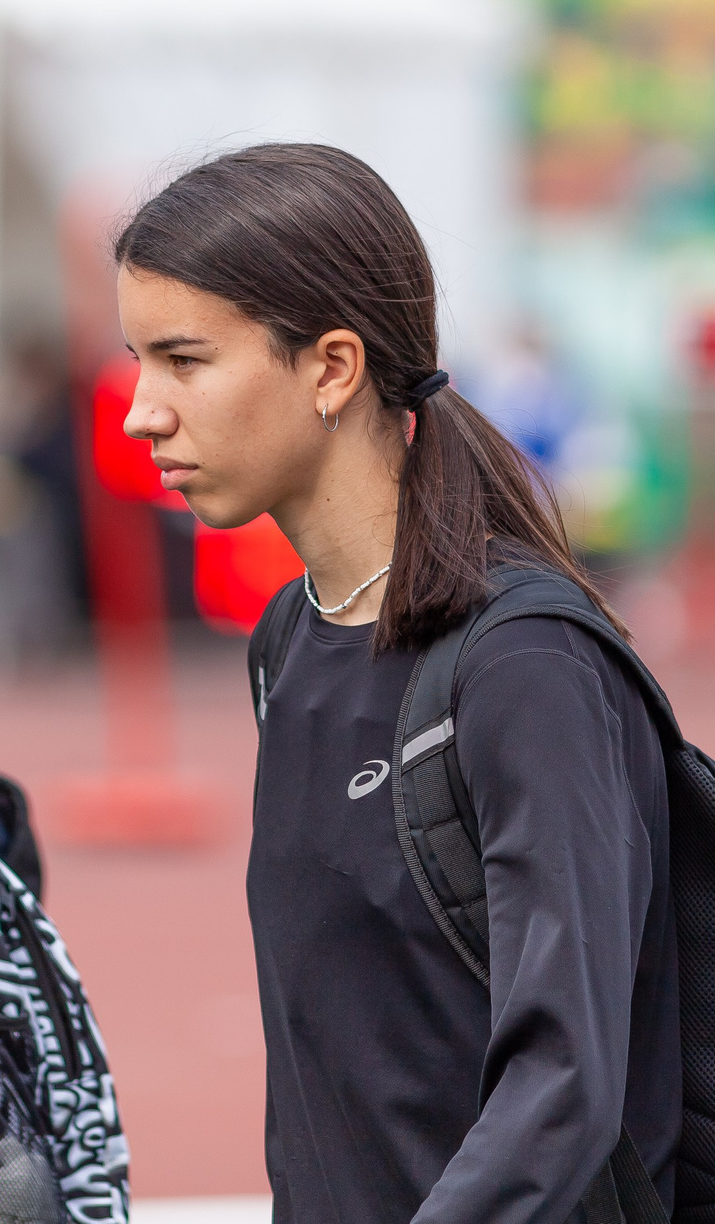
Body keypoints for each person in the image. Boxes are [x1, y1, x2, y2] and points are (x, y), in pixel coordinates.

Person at [112, 144, 677, 1221]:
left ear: (331, 368)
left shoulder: (525, 664)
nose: (143, 411)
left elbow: (566, 1084)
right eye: (139, 361)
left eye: (183, 361)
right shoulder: (291, 636)